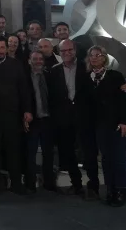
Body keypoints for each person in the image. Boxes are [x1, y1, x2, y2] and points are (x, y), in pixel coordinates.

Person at [76, 45, 126, 206]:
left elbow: (122, 100)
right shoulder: (86, 78)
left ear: (104, 58)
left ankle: (121, 190)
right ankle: (111, 189)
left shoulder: (115, 76)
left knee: (119, 158)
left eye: (98, 55)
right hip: (100, 125)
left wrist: (124, 121)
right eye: (92, 55)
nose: (94, 58)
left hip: (118, 123)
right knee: (106, 159)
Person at [0, 36, 32, 194]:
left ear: (7, 48)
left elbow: (24, 89)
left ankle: (16, 183)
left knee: (13, 150)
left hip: (12, 114)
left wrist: (27, 110)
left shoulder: (16, 64)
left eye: (2, 47)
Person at [47, 39, 85, 195]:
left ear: (75, 50)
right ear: (59, 52)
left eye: (70, 50)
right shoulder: (54, 71)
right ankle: (77, 184)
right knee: (68, 152)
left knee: (88, 151)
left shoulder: (86, 67)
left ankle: (93, 187)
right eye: (63, 51)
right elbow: (52, 97)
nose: (67, 53)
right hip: (63, 119)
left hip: (84, 116)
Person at [24, 51, 56, 193]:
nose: (38, 61)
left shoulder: (50, 75)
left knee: (48, 153)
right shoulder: (24, 77)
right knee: (30, 153)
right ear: (29, 61)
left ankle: (49, 182)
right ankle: (30, 183)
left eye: (40, 59)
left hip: (48, 119)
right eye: (35, 59)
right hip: (32, 119)